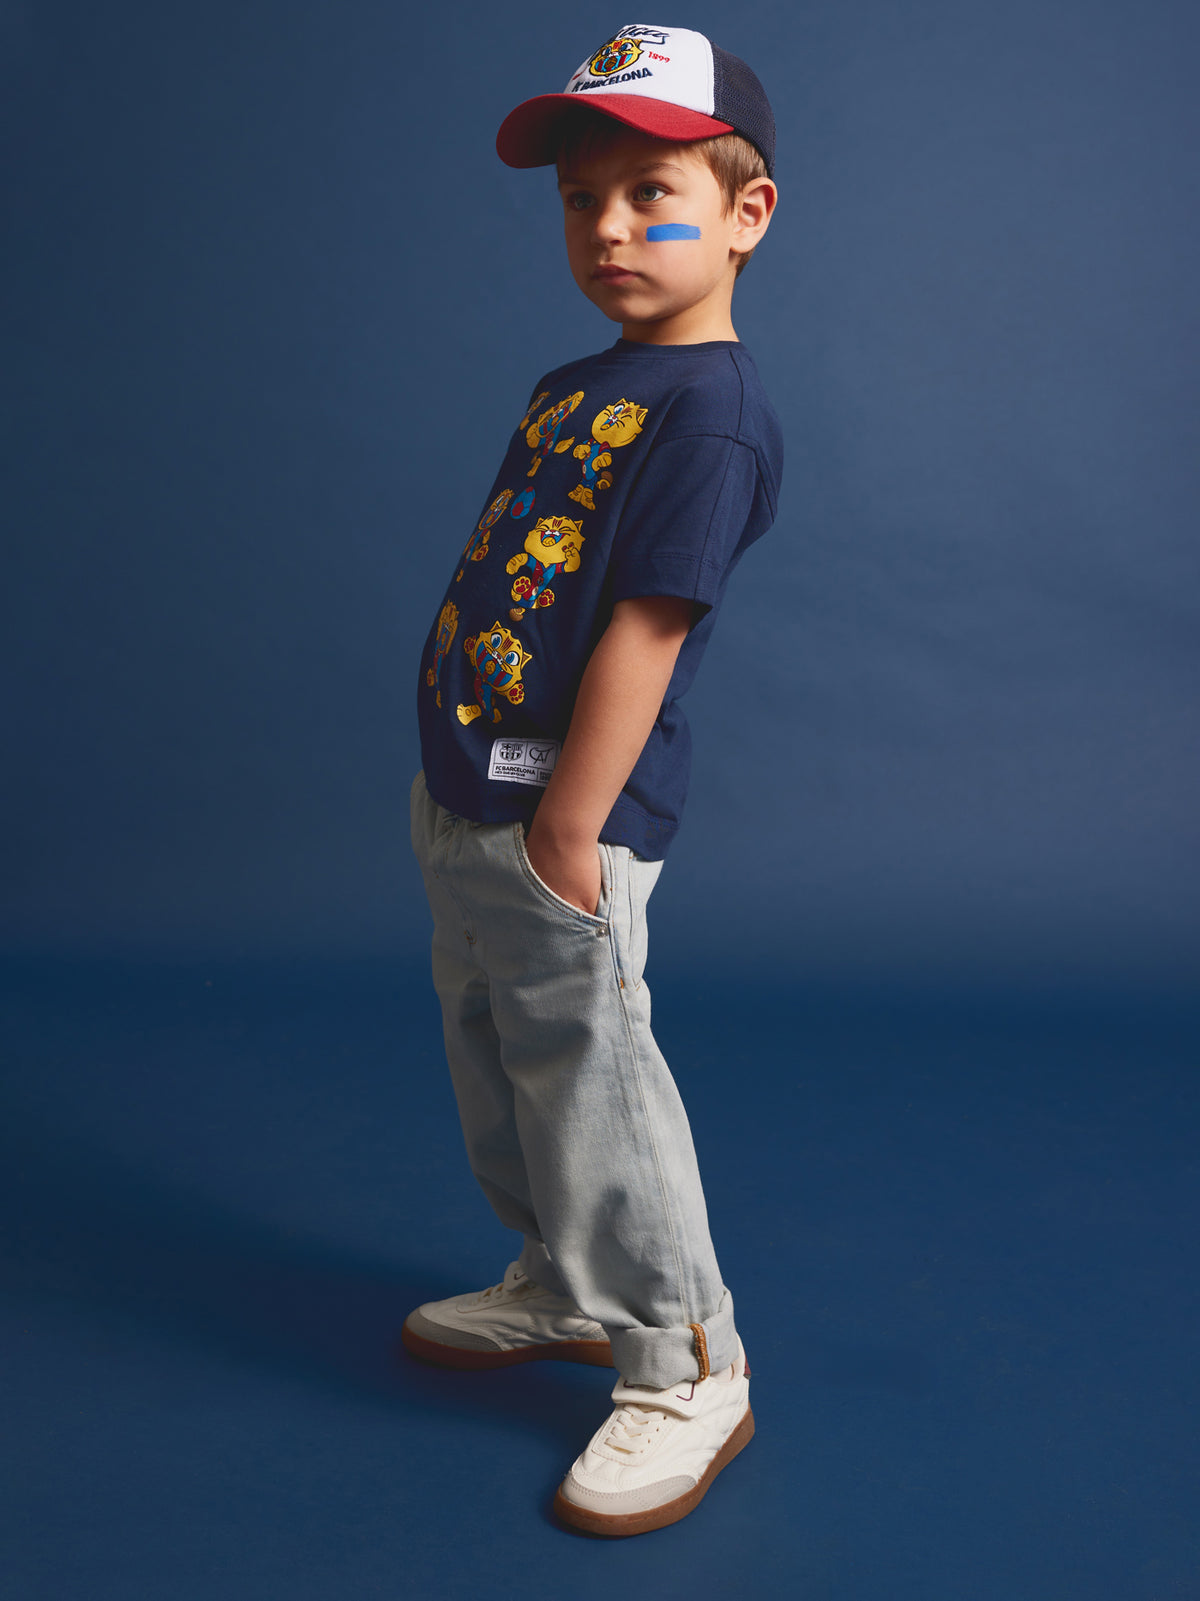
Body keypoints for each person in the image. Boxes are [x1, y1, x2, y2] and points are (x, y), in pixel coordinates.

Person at [405, 23, 781, 1537]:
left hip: (564, 820)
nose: (610, 226)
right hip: (469, 798)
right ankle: (562, 1279)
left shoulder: (713, 413)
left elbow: (643, 623)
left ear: (745, 211)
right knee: (500, 1063)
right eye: (581, 200)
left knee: (594, 1082)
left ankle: (687, 1358)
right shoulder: (583, 380)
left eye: (651, 191)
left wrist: (572, 819)